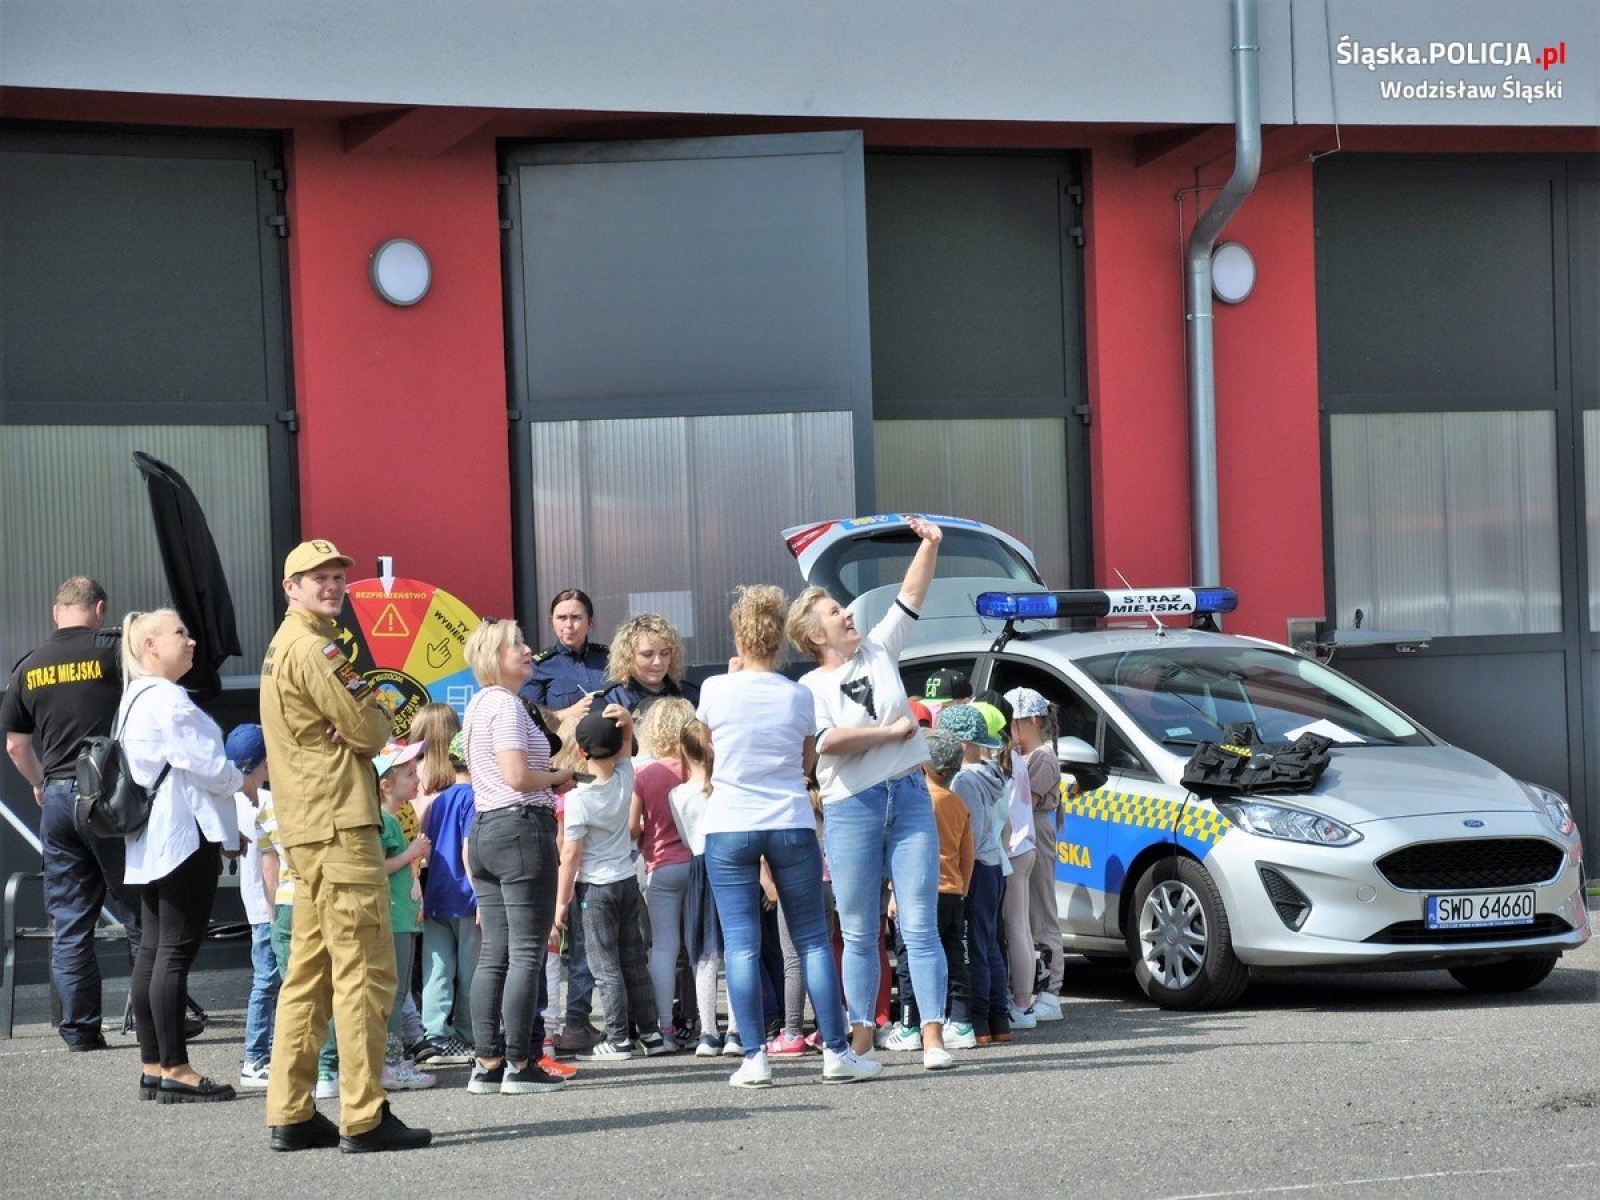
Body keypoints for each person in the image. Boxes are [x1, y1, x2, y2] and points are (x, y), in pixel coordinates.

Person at [259, 538, 429, 1153]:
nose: (331, 586)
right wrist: (368, 717)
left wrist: (358, 721)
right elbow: (373, 727)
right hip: (339, 827)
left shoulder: (285, 646)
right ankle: (364, 1114)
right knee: (365, 972)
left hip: (309, 827)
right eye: (318, 578)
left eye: (336, 577)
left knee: (310, 973)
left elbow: (357, 725)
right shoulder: (317, 648)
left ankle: (291, 1111)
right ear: (291, 587)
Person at [786, 516, 951, 1066]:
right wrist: (891, 733)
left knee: (919, 924)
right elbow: (827, 743)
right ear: (816, 635)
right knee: (859, 931)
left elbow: (911, 594)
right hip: (851, 808)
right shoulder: (810, 685)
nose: (848, 614)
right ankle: (860, 1039)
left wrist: (929, 544)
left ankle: (932, 1037)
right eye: (836, 612)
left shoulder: (880, 648)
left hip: (908, 796)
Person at [701, 584, 881, 1088]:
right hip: (790, 820)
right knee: (814, 941)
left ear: (740, 638)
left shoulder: (714, 689)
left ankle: (754, 1057)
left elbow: (710, 747)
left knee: (741, 945)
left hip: (730, 822)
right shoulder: (799, 693)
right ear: (779, 639)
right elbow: (807, 761)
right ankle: (837, 1052)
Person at [1, 576, 142, 1052]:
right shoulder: (116, 652)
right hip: (109, 796)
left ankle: (80, 1031)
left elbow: (16, 745)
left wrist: (40, 782)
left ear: (56, 612)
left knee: (70, 921)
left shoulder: (28, 666)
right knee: (140, 911)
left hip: (59, 799)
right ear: (100, 609)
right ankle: (156, 1021)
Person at [118, 608, 243, 1102]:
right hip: (184, 836)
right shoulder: (169, 698)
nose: (190, 641)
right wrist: (241, 779)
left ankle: (154, 1063)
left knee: (154, 948)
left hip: (152, 838)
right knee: (173, 950)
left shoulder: (134, 697)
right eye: (179, 633)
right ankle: (176, 1068)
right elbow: (210, 767)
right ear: (150, 645)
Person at [462, 616, 579, 1097]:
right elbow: (517, 776)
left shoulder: (477, 705)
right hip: (520, 828)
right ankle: (519, 1062)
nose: (528, 649)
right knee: (527, 952)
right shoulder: (508, 706)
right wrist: (558, 776)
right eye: (517, 644)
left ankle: (487, 1062)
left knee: (495, 952)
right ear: (494, 657)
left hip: (486, 828)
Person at [554, 704, 664, 1060]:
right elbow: (626, 749)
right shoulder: (625, 777)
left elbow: (571, 854)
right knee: (633, 959)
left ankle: (617, 1039)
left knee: (605, 967)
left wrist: (560, 902)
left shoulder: (577, 799)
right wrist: (627, 725)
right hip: (626, 881)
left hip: (594, 888)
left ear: (580, 751)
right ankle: (651, 1033)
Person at [883, 729, 975, 1055]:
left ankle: (909, 1025)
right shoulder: (959, 804)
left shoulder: (918, 802)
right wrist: (962, 888)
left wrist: (894, 890)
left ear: (924, 765)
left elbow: (904, 852)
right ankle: (961, 1022)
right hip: (953, 892)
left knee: (910, 957)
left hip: (919, 892)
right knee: (954, 957)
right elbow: (967, 855)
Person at [631, 697, 696, 1049]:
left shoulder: (645, 775)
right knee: (703, 948)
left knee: (663, 947)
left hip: (661, 867)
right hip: (698, 864)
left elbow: (632, 827)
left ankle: (665, 1029)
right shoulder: (698, 767)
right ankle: (708, 1026)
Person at [667, 719, 733, 1058]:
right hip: (730, 863)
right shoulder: (725, 787)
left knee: (704, 953)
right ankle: (737, 1028)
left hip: (699, 865)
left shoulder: (677, 794)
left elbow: (684, 835)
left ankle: (708, 1031)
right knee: (736, 949)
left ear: (683, 749)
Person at [374, 741, 436, 1091]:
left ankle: (393, 1060)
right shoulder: (384, 820)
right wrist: (412, 852)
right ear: (385, 784)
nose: (417, 780)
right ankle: (391, 1063)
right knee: (394, 993)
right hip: (394, 918)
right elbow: (377, 866)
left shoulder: (393, 818)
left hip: (404, 917)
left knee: (398, 992)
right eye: (409, 774)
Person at [415, 731, 478, 1064]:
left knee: (437, 969)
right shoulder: (475, 799)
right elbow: (469, 850)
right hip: (466, 897)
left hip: (436, 894)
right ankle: (468, 1035)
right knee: (471, 970)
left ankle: (435, 1035)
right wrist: (482, 894)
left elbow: (425, 847)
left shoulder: (439, 800)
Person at [1005, 685, 1066, 1022]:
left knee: (1041, 911)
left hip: (1036, 829)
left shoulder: (1042, 756)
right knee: (1023, 913)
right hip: (1024, 829)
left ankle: (1051, 990)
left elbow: (1029, 799)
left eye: (1013, 723)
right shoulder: (1025, 755)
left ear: (1031, 721)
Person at [228, 723, 279, 1091]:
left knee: (268, 981)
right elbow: (270, 863)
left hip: (256, 905)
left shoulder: (227, 800)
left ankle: (265, 1054)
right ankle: (256, 1058)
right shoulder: (267, 801)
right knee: (269, 981)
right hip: (271, 906)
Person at [521, 588, 610, 726]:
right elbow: (529, 720)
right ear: (552, 623)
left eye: (576, 617)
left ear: (590, 623)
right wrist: (567, 713)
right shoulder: (538, 667)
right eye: (561, 618)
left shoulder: (609, 659)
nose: (568, 625)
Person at [598, 612, 699, 720]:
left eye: (665, 653)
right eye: (648, 654)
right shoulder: (612, 699)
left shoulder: (691, 695)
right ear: (628, 656)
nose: (657, 662)